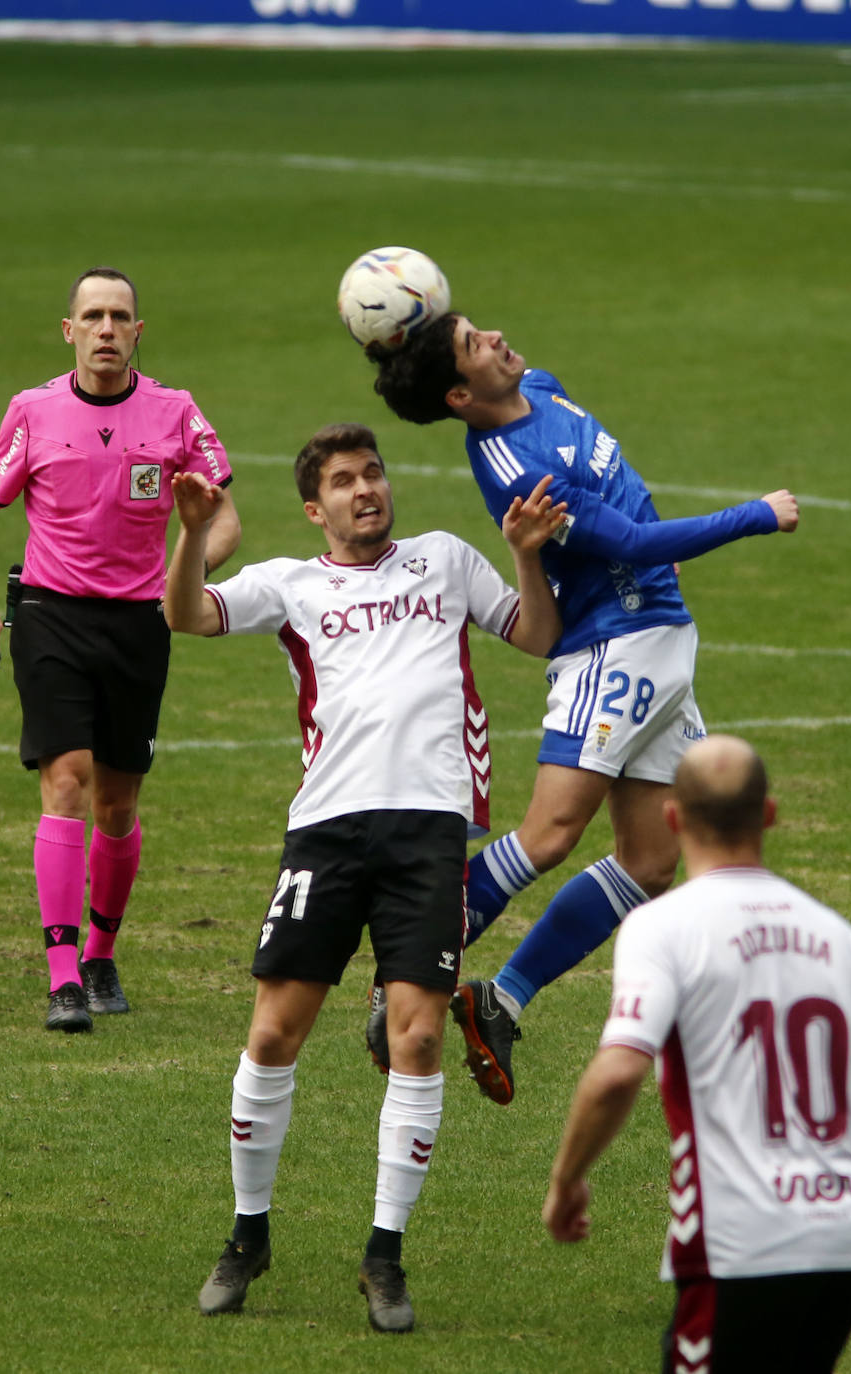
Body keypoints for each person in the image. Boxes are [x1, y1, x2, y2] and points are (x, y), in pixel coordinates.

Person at [163, 421, 565, 1332]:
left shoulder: (445, 560)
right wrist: (190, 535)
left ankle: (384, 1256)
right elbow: (185, 616)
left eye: (373, 473)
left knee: (417, 1042)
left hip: (428, 836)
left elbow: (535, 635)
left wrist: (524, 557)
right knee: (273, 1033)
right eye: (343, 481)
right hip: (326, 835)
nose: (364, 489)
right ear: (316, 508)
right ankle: (247, 1235)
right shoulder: (289, 583)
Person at [369, 309, 799, 1104]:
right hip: (613, 647)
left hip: (662, 644)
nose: (495, 334)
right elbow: (631, 544)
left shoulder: (539, 386)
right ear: (459, 393)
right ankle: (404, 968)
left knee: (647, 863)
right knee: (550, 833)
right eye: (472, 342)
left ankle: (498, 999)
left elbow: (483, 372)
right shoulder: (516, 472)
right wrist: (753, 515)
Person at [542, 734, 851, 1373]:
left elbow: (618, 1072)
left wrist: (566, 1182)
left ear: (672, 816)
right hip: (848, 1237)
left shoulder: (665, 927)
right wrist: (836, 1161)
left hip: (740, 1241)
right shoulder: (835, 934)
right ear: (771, 815)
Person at [0, 266, 240, 1033]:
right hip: (50, 614)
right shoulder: (34, 411)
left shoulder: (176, 414)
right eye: (94, 316)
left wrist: (187, 571)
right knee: (68, 782)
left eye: (120, 316)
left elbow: (224, 521)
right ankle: (60, 980)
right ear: (70, 330)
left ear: (137, 332)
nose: (107, 329)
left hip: (140, 620)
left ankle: (101, 952)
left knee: (118, 802)